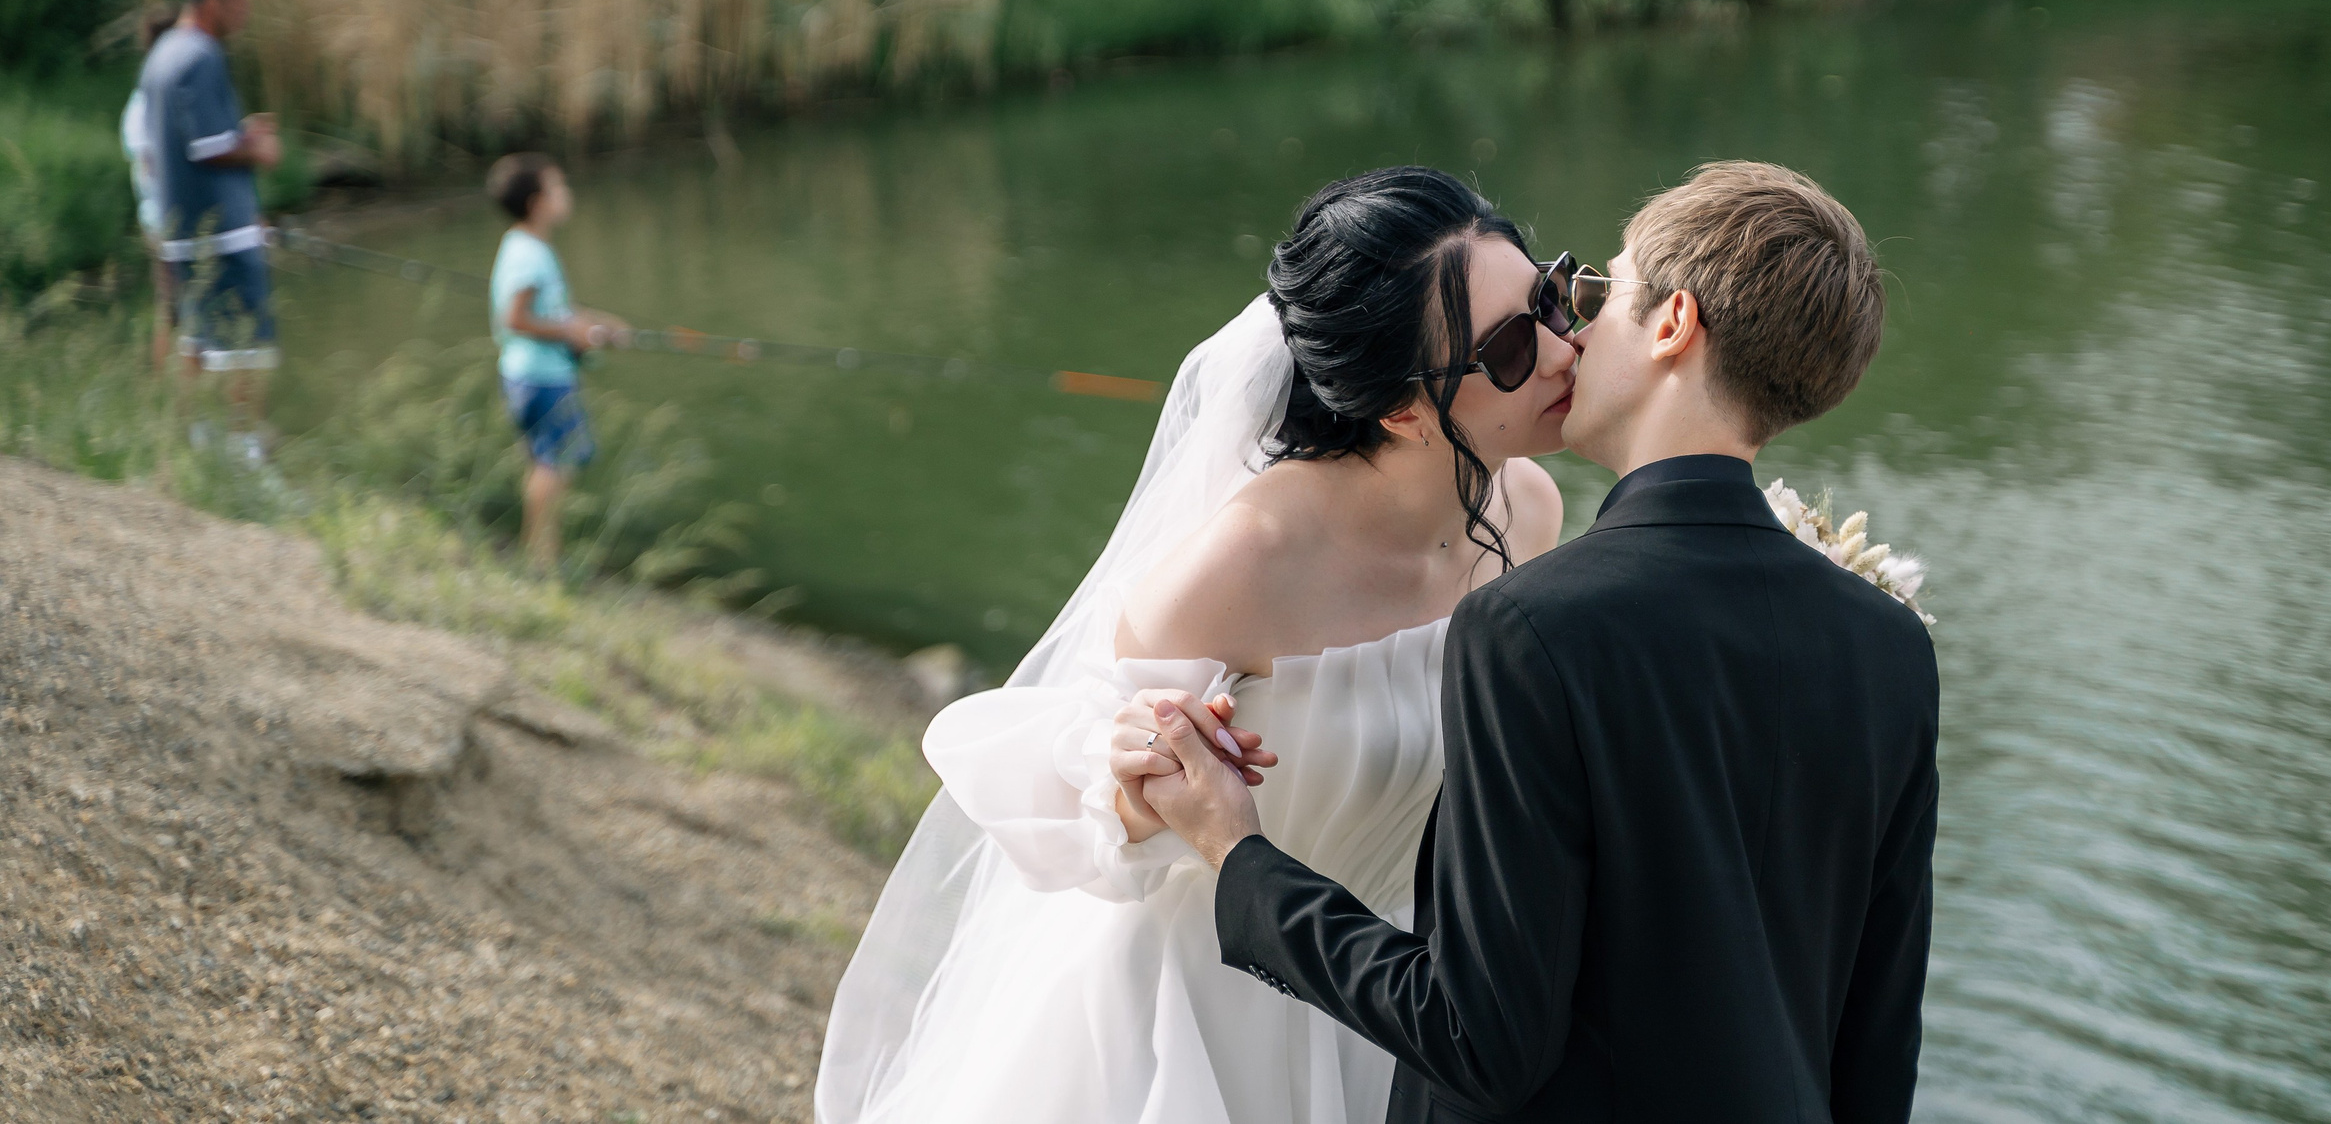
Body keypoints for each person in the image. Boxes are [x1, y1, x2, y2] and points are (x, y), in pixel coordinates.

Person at [1135, 161, 1939, 1124]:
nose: (1575, 333)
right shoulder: (1890, 644)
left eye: (1599, 292)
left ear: (1673, 324)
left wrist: (1237, 853)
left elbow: (1482, 1038)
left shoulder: (1530, 626)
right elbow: (1880, 1040)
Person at [814, 166, 1575, 1124]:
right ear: (1400, 407)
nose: (1559, 349)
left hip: (1392, 994)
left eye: (1549, 297)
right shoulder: (1239, 567)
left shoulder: (1529, 511)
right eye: (1509, 348)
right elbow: (1089, 786)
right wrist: (1129, 771)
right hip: (1205, 1013)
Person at [139, 0, 282, 459]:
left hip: (182, 232)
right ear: (213, 1)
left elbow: (183, 143)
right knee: (247, 345)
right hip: (221, 233)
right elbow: (208, 147)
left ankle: (192, 447)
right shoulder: (202, 55)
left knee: (197, 342)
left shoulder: (162, 54)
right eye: (240, 2)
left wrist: (238, 136)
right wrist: (258, 148)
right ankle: (245, 459)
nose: (245, 14)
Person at [486, 153, 628, 566]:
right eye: (558, 187)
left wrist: (597, 326)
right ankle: (541, 556)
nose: (567, 194)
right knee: (555, 465)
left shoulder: (520, 245)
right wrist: (572, 332)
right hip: (543, 378)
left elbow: (552, 312)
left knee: (543, 462)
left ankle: (539, 550)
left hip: (523, 373)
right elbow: (514, 318)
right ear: (537, 203)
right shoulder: (531, 255)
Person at [119, 3, 183, 372]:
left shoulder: (149, 100)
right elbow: (152, 167)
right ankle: (165, 391)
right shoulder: (145, 104)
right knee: (173, 310)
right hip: (164, 221)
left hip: (162, 219)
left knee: (176, 309)